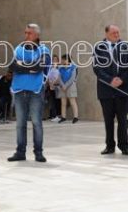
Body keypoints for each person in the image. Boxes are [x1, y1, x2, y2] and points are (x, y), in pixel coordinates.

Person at [8, 24, 51, 163]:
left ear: (37, 35)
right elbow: (12, 66)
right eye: (25, 32)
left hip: (35, 91)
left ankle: (38, 153)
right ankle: (20, 152)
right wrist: (30, 66)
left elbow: (40, 67)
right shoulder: (18, 49)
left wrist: (23, 65)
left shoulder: (44, 50)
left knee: (37, 123)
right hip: (19, 90)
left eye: (30, 33)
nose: (26, 35)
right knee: (20, 123)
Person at [93, 25, 128, 155]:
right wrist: (110, 80)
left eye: (118, 32)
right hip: (106, 90)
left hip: (123, 89)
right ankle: (109, 146)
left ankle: (124, 146)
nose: (117, 35)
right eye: (113, 33)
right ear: (106, 34)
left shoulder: (126, 46)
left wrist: (121, 79)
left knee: (123, 120)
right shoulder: (98, 47)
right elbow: (97, 68)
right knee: (108, 120)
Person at [57, 54, 79, 124]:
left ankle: (76, 117)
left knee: (73, 102)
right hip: (62, 86)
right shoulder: (60, 68)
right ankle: (63, 117)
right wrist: (63, 85)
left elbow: (72, 78)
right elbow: (59, 77)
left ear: (68, 60)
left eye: (64, 59)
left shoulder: (73, 67)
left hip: (71, 86)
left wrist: (66, 85)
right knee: (63, 103)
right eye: (62, 59)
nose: (62, 61)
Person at [47, 55, 62, 122]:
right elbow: (48, 76)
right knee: (52, 101)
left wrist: (54, 83)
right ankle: (54, 115)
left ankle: (59, 115)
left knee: (58, 101)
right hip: (51, 86)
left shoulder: (60, 67)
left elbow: (60, 76)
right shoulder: (50, 67)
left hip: (58, 86)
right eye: (53, 59)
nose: (54, 61)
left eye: (56, 59)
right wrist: (50, 84)